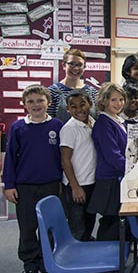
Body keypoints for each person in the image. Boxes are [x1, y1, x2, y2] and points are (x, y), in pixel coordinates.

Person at [2, 85, 62, 273]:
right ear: (24, 104)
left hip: (51, 185)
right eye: (31, 101)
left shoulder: (57, 125)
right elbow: (10, 158)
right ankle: (30, 264)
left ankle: (48, 263)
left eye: (40, 100)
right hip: (25, 186)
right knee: (27, 227)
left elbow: (64, 158)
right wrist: (9, 184)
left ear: (48, 102)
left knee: (49, 227)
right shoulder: (18, 127)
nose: (36, 105)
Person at [87, 83, 127, 241]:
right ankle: (104, 259)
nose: (118, 103)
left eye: (121, 99)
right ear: (104, 101)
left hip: (118, 176)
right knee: (110, 220)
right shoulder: (104, 123)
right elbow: (112, 156)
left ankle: (116, 255)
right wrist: (131, 170)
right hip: (110, 179)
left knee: (117, 220)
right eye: (113, 100)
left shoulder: (118, 120)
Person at [60, 90, 97, 242]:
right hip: (77, 184)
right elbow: (65, 160)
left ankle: (87, 250)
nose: (79, 109)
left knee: (89, 221)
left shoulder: (92, 122)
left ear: (90, 104)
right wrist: (75, 187)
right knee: (77, 226)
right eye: (73, 106)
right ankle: (74, 260)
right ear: (68, 109)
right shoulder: (69, 128)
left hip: (91, 182)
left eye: (82, 104)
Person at [48, 49, 98, 123]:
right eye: (71, 64)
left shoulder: (93, 92)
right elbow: (48, 121)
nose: (75, 68)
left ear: (84, 67)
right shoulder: (52, 92)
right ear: (64, 65)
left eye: (80, 65)